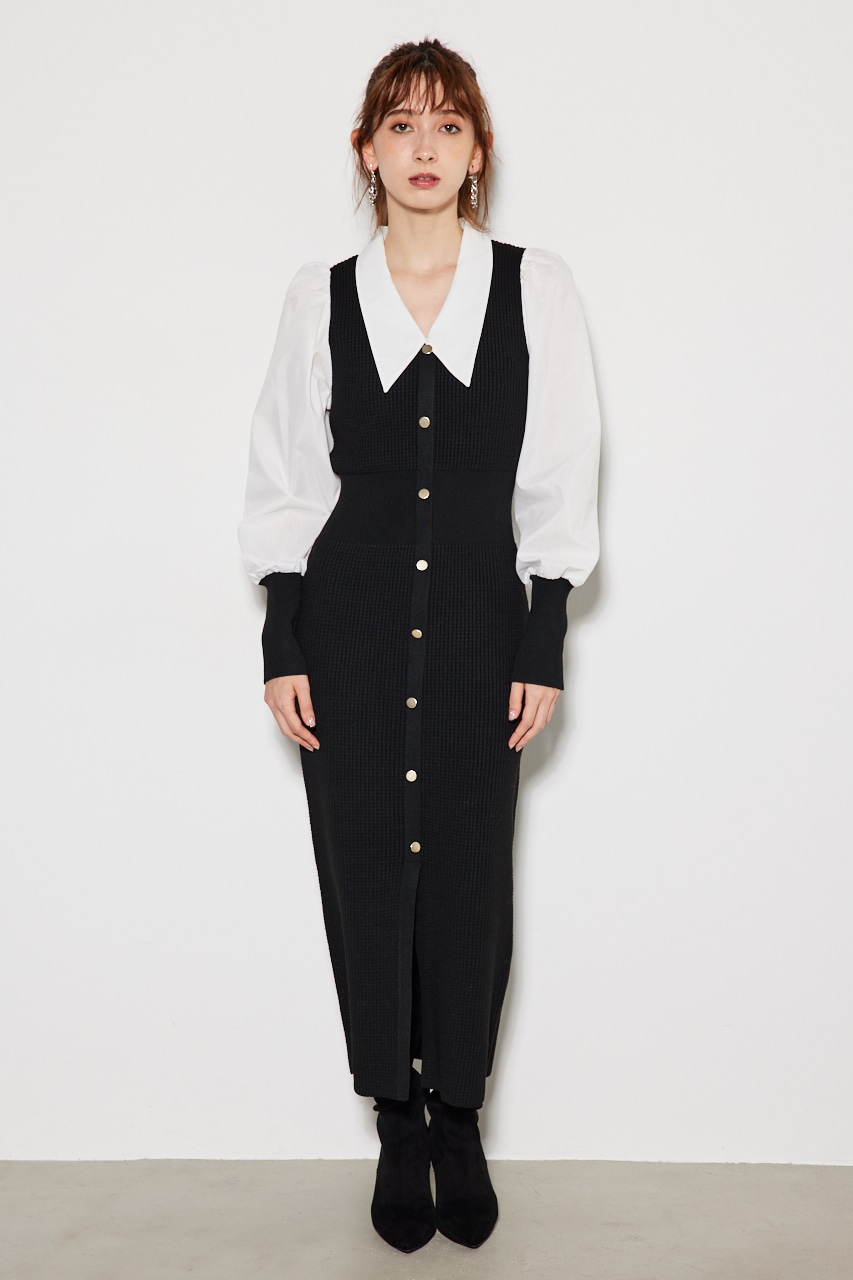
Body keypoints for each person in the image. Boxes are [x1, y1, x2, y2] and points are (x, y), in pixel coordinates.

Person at [237, 37, 601, 1254]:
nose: (424, 147)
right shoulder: (322, 296)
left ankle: (459, 1113)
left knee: (469, 869)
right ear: (367, 151)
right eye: (400, 125)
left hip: (477, 634)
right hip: (343, 628)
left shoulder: (534, 289)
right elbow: (286, 476)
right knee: (362, 867)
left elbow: (560, 467)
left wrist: (542, 633)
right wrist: (282, 633)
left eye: (447, 125)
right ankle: (396, 1120)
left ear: (478, 149)